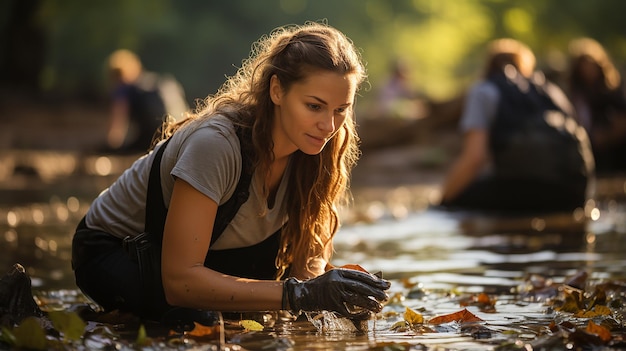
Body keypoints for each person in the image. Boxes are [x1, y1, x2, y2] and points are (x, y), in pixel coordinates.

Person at [72, 22, 390, 328]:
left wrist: (329, 299)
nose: (329, 126)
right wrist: (300, 295)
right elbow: (180, 282)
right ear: (277, 90)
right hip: (117, 250)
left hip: (210, 254)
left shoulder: (321, 148)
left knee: (258, 318)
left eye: (340, 109)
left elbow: (307, 268)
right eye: (314, 106)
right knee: (200, 320)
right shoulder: (216, 145)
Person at [439, 38, 594, 214]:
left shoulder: (483, 91)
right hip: (573, 193)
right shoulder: (550, 90)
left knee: (456, 201)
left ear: (489, 65)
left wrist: (442, 201)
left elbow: (475, 158)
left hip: (524, 192)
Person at [105, 49, 188, 153]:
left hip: (152, 140)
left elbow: (117, 128)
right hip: (177, 137)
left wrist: (111, 146)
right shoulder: (161, 82)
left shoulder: (124, 88)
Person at [567, 37, 626, 173]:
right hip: (587, 144)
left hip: (613, 146)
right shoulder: (577, 93)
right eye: (583, 66)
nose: (588, 70)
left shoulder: (611, 92)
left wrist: (607, 135)